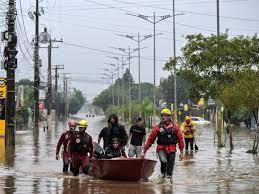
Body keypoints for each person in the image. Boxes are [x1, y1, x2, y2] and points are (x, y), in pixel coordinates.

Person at [142, 108, 184, 184]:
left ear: (169, 117)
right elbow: (150, 139)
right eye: (162, 115)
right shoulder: (157, 128)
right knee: (164, 161)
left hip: (172, 149)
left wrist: (181, 151)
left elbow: (180, 139)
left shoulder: (175, 127)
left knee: (170, 166)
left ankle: (169, 178)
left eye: (165, 115)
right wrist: (144, 150)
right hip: (161, 149)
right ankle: (162, 176)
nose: (163, 117)